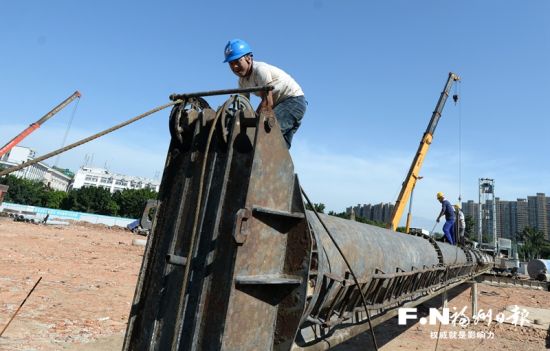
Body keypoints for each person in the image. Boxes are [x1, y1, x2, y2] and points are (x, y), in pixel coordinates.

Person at [223, 38, 306, 148]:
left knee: (264, 131)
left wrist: (252, 123)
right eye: (231, 64)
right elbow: (244, 107)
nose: (235, 67)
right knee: (278, 148)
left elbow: (267, 103)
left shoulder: (260, 70)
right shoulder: (242, 81)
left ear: (248, 58)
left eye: (237, 62)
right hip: (279, 104)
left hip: (293, 102)